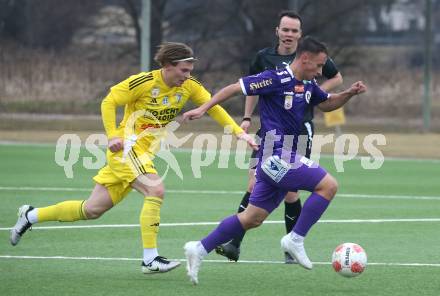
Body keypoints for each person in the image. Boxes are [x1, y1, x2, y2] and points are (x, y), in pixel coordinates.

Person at [9, 42, 255, 274]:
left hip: (143, 154)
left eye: (190, 71)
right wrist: (112, 135)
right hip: (126, 150)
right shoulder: (144, 82)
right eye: (184, 70)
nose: (188, 76)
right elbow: (109, 101)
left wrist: (238, 132)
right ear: (167, 66)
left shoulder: (188, 86)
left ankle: (30, 215)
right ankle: (150, 258)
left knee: (92, 209)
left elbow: (213, 106)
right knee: (155, 190)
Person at [182, 36, 366, 285]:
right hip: (273, 154)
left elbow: (327, 104)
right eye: (319, 66)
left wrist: (349, 93)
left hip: (286, 155)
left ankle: (199, 248)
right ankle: (295, 239)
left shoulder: (308, 84)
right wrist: (203, 108)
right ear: (305, 59)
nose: (322, 71)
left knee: (251, 218)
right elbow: (235, 88)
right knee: (328, 185)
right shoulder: (275, 78)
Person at [215, 10, 343, 263]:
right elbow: (251, 88)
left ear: (300, 35)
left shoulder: (310, 57)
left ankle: (291, 247)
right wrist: (247, 118)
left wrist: (313, 93)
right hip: (269, 132)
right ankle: (234, 243)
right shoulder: (264, 57)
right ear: (277, 31)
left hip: (299, 130)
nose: (289, 34)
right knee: (253, 184)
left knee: (290, 191)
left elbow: (337, 77)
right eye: (285, 29)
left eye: (294, 30)